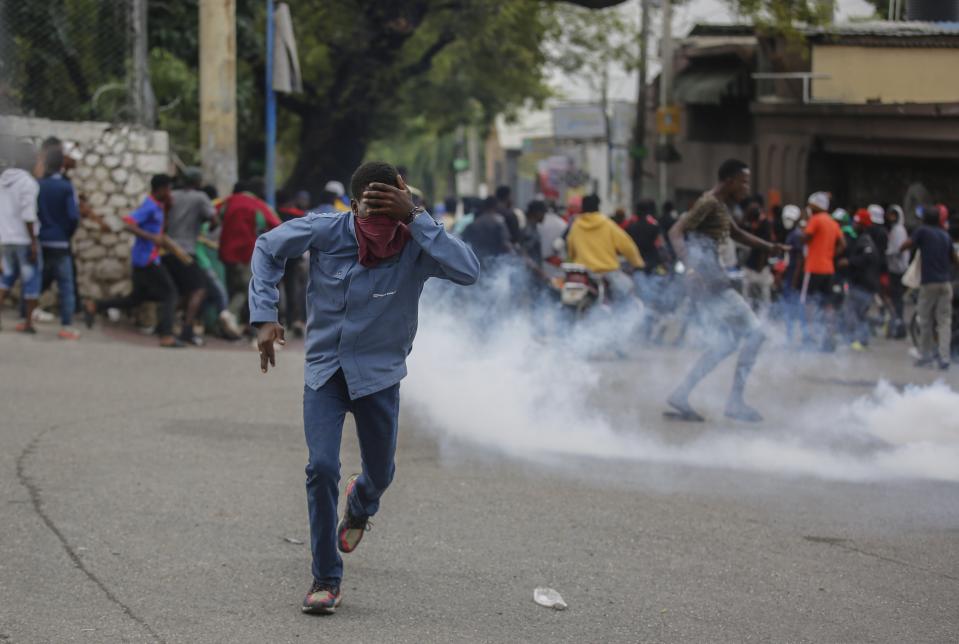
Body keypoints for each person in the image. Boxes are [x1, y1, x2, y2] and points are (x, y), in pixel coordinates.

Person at [249, 160, 479, 614]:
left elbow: (468, 270)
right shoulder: (327, 230)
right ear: (353, 207)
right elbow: (267, 247)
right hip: (326, 373)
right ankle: (326, 578)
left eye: (390, 217)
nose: (381, 231)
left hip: (379, 377)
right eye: (371, 216)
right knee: (320, 468)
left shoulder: (416, 241)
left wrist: (414, 216)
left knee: (381, 474)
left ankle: (362, 501)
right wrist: (264, 315)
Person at [665, 159, 787, 422]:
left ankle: (682, 393)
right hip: (711, 284)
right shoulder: (708, 203)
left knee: (727, 343)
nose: (746, 187)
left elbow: (737, 233)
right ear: (729, 180)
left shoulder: (718, 206)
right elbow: (675, 231)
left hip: (714, 283)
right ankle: (734, 402)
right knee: (756, 335)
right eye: (743, 181)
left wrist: (769, 247)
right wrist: (690, 267)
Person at [84, 174, 184, 348]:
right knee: (171, 294)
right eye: (168, 188)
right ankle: (166, 335)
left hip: (146, 258)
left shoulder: (160, 206)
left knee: (136, 298)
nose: (170, 192)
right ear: (160, 189)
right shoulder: (150, 206)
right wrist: (151, 237)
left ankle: (96, 305)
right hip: (147, 259)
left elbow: (161, 229)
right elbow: (129, 223)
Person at [901, 205, 959, 370]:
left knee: (925, 320)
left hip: (929, 284)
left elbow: (907, 244)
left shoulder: (923, 231)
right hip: (946, 284)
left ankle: (926, 356)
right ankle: (944, 358)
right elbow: (955, 259)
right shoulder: (945, 235)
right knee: (944, 322)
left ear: (925, 219)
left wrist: (901, 248)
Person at [217, 180, 281, 325]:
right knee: (248, 288)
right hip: (246, 252)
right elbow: (276, 224)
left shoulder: (228, 201)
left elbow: (213, 216)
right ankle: (230, 313)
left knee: (232, 287)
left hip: (225, 251)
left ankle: (233, 325)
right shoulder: (257, 204)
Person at [164, 168, 215, 345]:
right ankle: (187, 329)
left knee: (179, 291)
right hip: (186, 251)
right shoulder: (200, 197)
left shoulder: (172, 195)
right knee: (199, 289)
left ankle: (165, 323)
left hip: (168, 248)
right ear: (197, 182)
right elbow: (213, 219)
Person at [36, 146, 82, 339]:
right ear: (62, 165)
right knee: (66, 285)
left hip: (41, 239)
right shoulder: (66, 187)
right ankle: (66, 325)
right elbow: (73, 216)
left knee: (37, 279)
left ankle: (25, 314)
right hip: (60, 241)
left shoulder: (39, 184)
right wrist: (67, 234)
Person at [565, 194, 644, 299]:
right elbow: (627, 246)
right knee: (630, 293)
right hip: (608, 272)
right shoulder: (608, 224)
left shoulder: (576, 226)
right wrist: (638, 263)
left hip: (583, 274)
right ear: (598, 207)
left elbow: (570, 250)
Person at [0, 142, 41, 333]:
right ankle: (28, 323)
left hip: (6, 239)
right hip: (24, 239)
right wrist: (33, 242)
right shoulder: (28, 183)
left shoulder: (3, 180)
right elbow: (28, 214)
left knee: (6, 279)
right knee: (31, 281)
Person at [801, 192, 846, 352]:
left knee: (808, 304)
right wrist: (831, 254)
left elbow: (804, 239)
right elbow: (843, 243)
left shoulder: (815, 219)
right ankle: (829, 337)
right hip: (828, 269)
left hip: (813, 268)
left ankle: (809, 337)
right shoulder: (833, 222)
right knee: (828, 305)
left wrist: (806, 223)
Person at [839, 209, 881, 351]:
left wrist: (850, 262)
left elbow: (869, 257)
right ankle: (862, 339)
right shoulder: (860, 238)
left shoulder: (865, 240)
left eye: (857, 223)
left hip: (863, 284)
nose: (854, 225)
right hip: (862, 283)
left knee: (852, 311)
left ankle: (856, 340)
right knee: (859, 313)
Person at [461, 196, 513, 271]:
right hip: (496, 266)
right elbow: (506, 244)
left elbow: (462, 242)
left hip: (477, 265)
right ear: (496, 206)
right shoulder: (499, 223)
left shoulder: (474, 224)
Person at [780, 204, 807, 343]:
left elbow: (799, 258)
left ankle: (802, 336)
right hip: (790, 274)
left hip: (794, 277)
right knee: (791, 307)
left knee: (795, 307)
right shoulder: (792, 233)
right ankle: (791, 335)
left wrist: (795, 280)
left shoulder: (796, 235)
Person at [741, 198, 774, 311]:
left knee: (764, 296)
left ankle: (764, 318)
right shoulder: (751, 224)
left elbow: (764, 248)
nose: (752, 224)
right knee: (747, 295)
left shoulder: (765, 225)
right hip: (751, 266)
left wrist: (760, 265)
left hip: (761, 267)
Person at [885, 205, 909, 338]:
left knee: (897, 299)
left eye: (893, 215)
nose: (890, 218)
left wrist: (887, 253)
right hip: (895, 267)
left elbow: (898, 249)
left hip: (897, 269)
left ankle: (899, 327)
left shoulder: (898, 230)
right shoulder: (895, 229)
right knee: (896, 299)